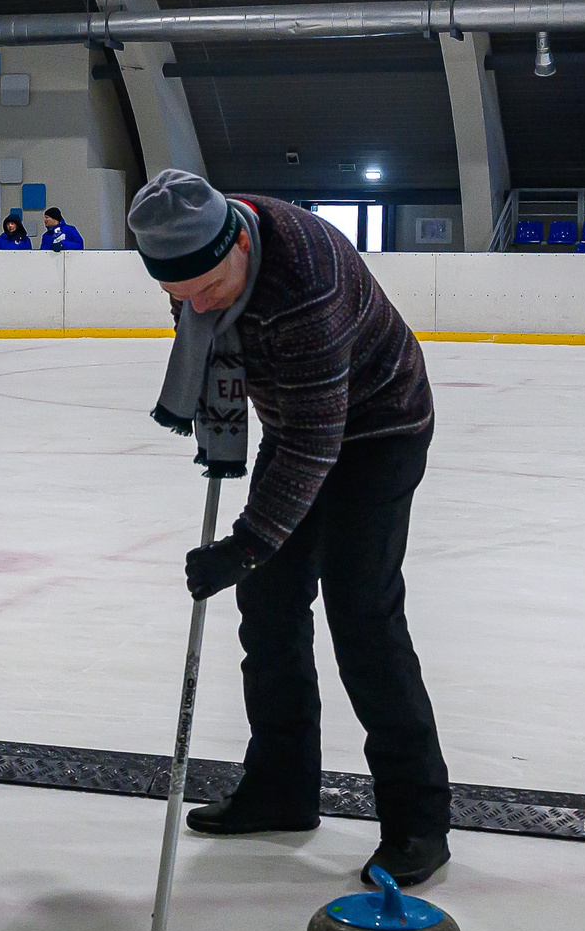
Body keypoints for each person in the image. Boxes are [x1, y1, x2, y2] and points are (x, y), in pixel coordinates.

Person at [125, 168, 449, 885]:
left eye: (211, 289)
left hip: (380, 425)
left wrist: (246, 544)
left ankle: (419, 817)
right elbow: (222, 367)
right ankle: (282, 786)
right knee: (268, 604)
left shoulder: (307, 276)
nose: (199, 306)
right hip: (301, 417)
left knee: (362, 613)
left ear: (239, 237)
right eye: (181, 296)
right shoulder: (198, 271)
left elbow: (312, 443)